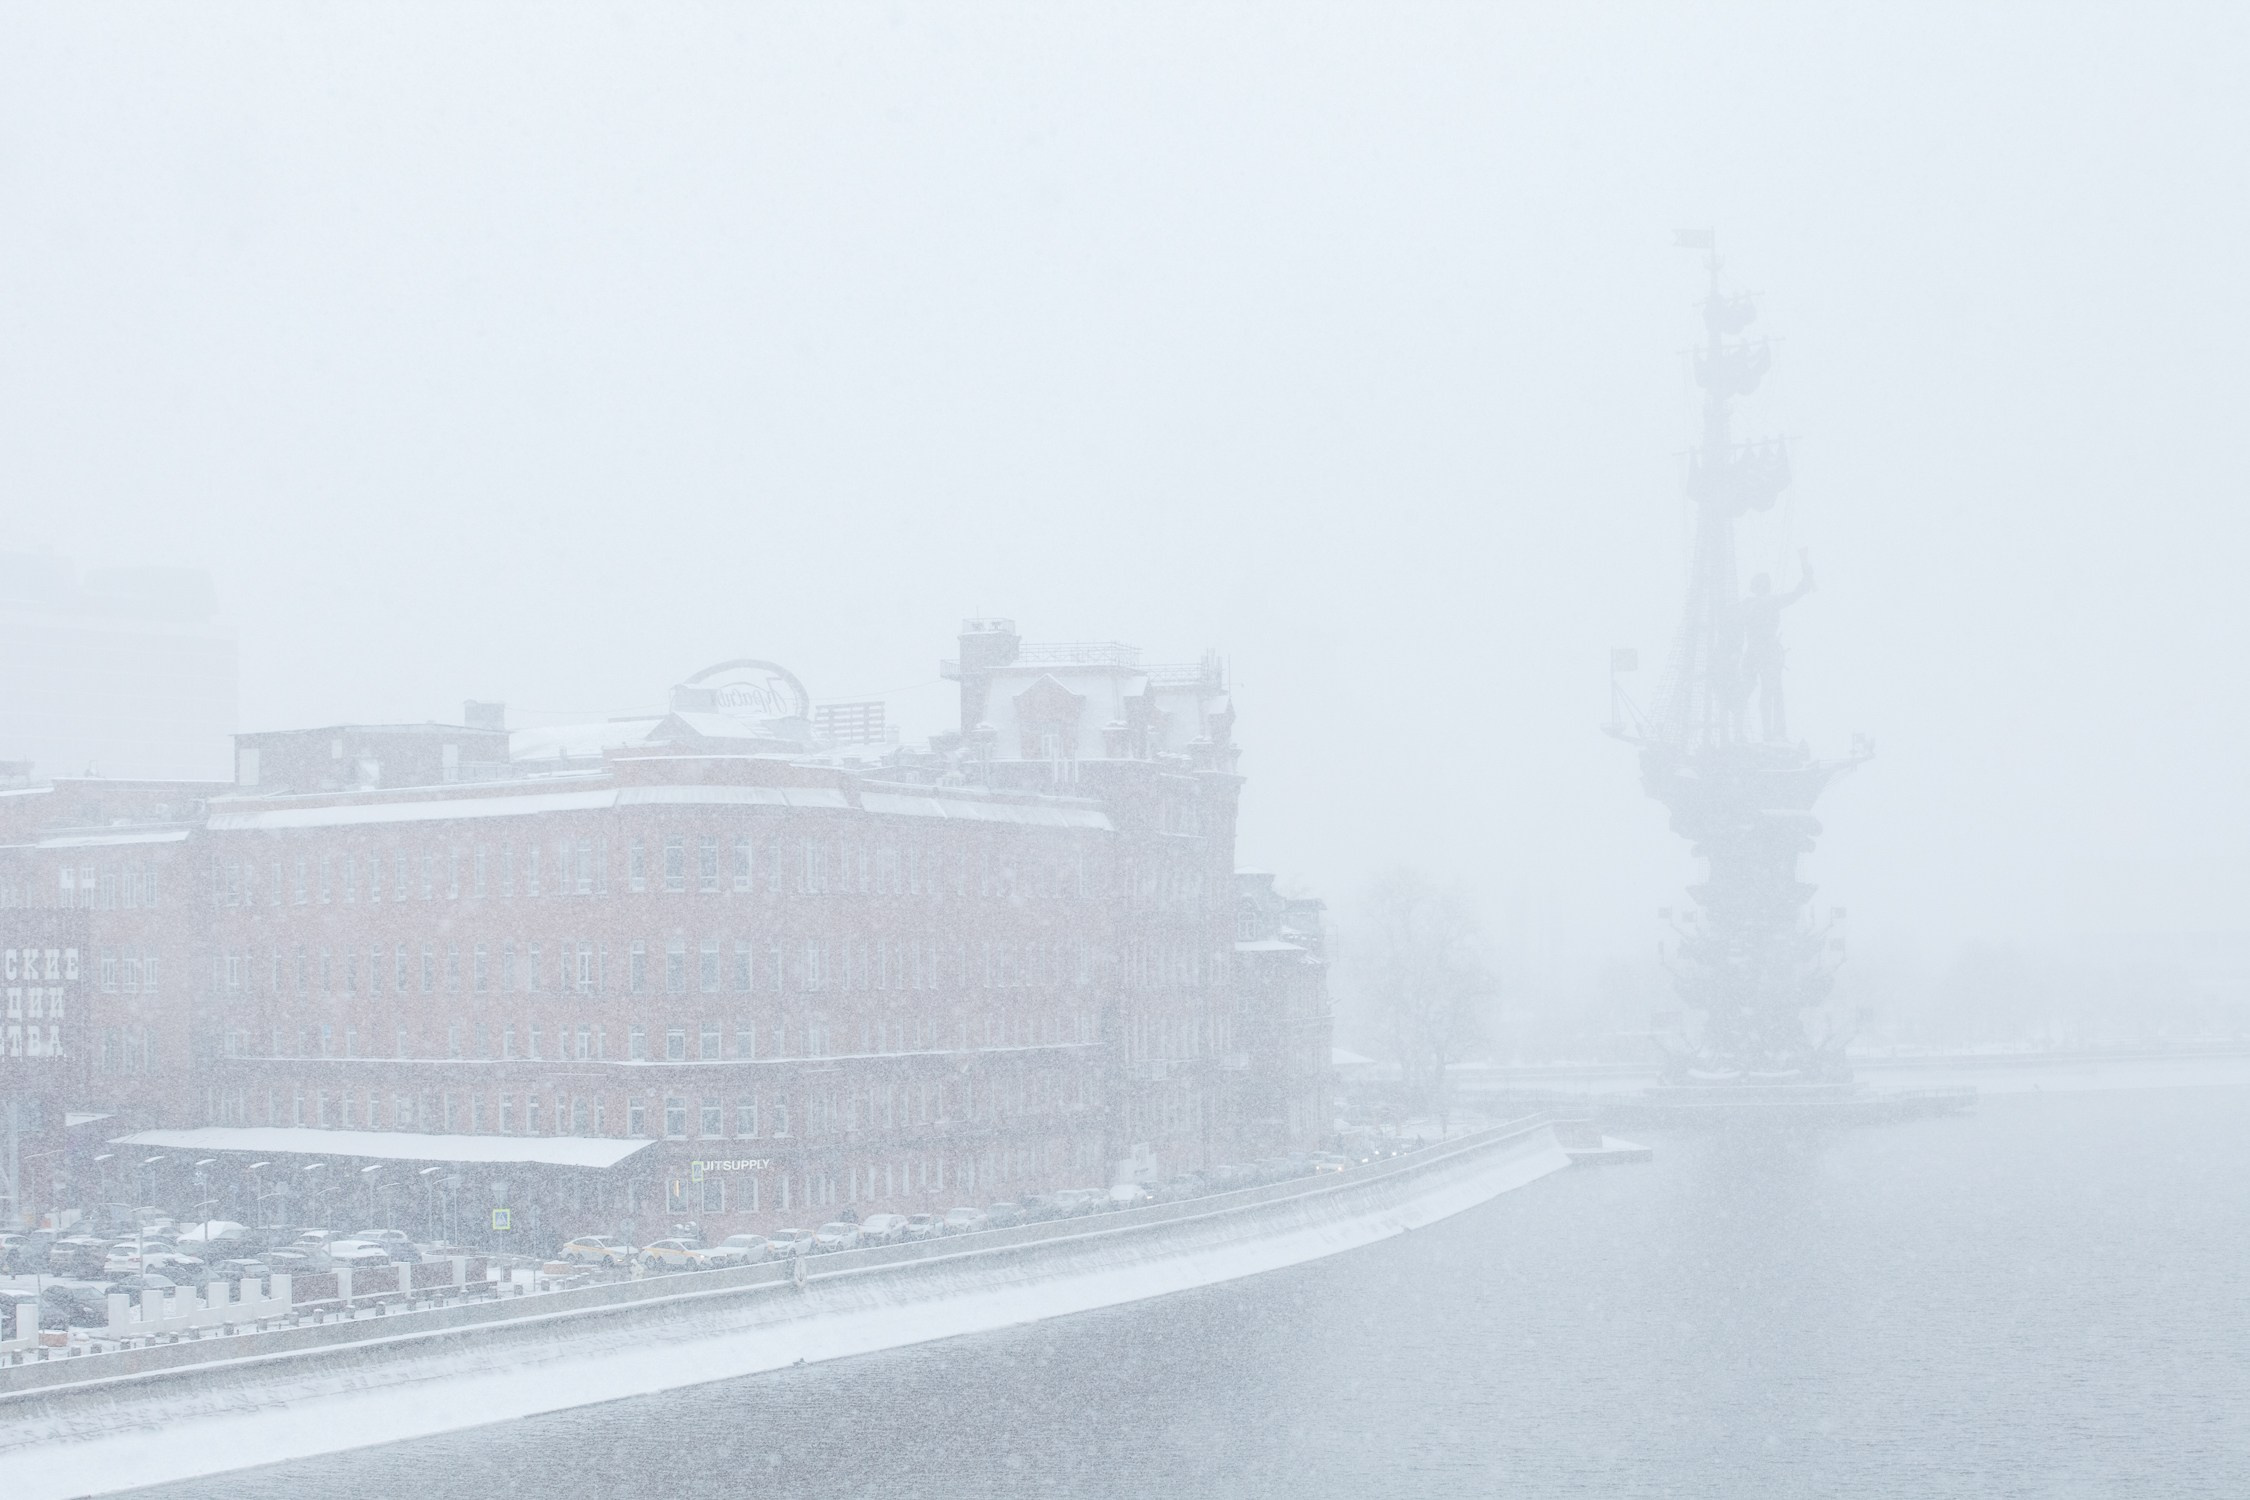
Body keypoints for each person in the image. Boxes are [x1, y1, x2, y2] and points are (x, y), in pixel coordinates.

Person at [1739, 549, 1814, 741]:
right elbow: (1799, 592)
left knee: (1753, 694)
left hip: (1760, 652)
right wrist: (1805, 567)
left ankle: (1764, 735)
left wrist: (1805, 566)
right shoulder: (1767, 602)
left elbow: (1799, 592)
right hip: (1765, 652)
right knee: (1767, 696)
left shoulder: (1748, 605)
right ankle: (1769, 736)